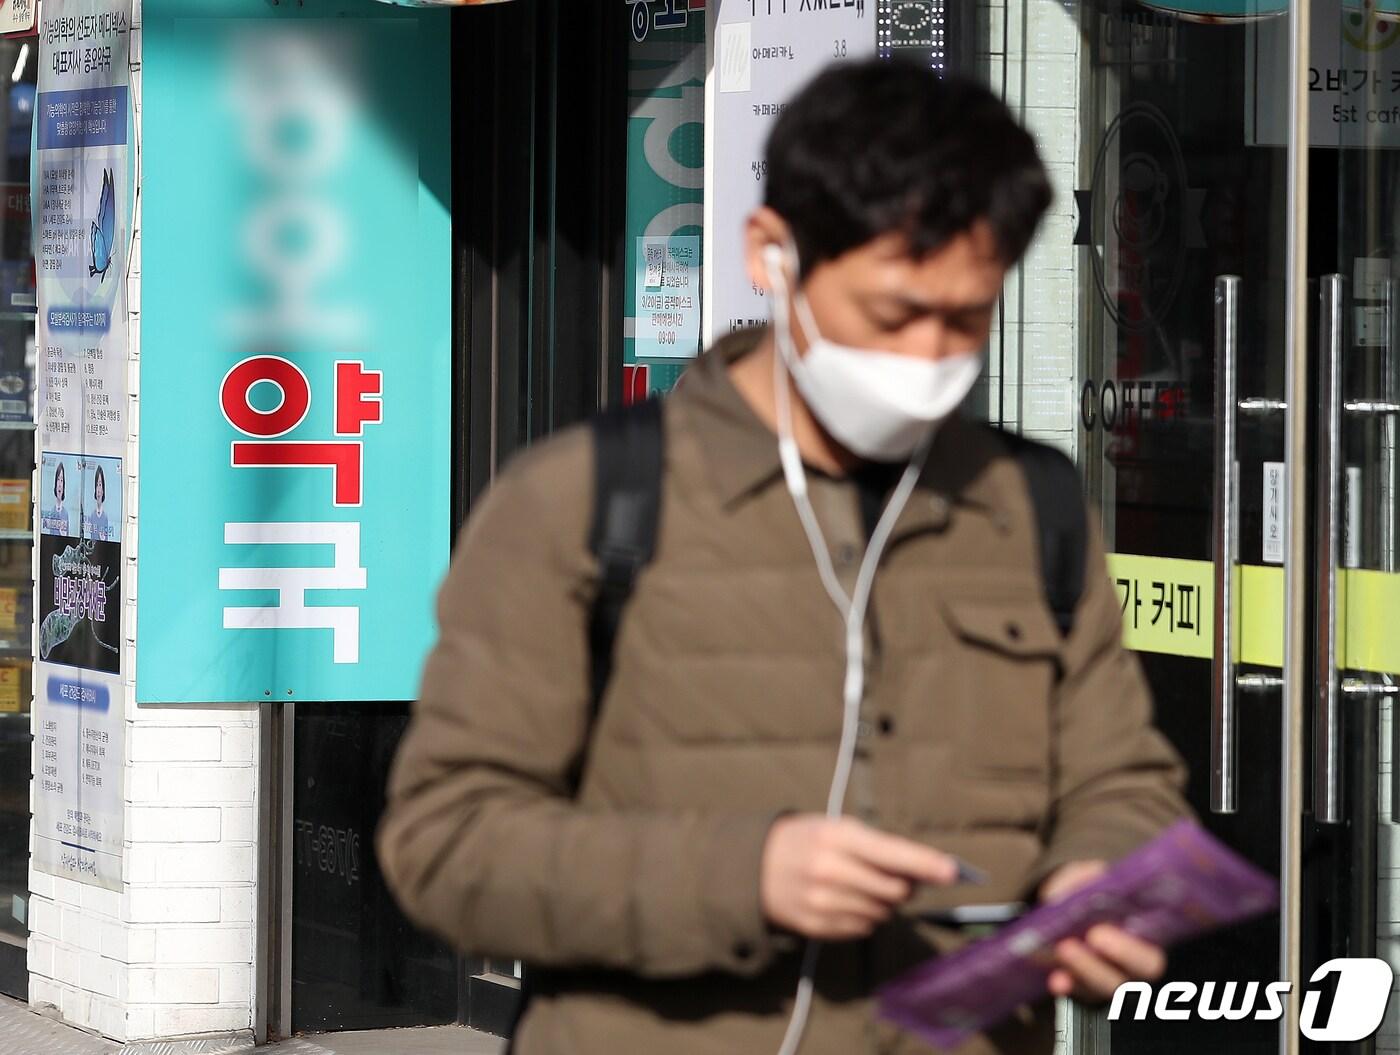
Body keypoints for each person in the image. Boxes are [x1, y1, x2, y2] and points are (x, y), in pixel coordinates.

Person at [378, 61, 1188, 1055]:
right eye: (891, 313)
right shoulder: (582, 499)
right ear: (773, 253)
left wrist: (1102, 878)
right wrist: (741, 875)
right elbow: (445, 843)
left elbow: (1121, 781)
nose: (927, 355)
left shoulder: (1031, 506)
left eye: (965, 318)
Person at [86, 464, 111, 541]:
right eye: (97, 485)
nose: (98, 489)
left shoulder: (105, 517)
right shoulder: (92, 515)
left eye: (100, 485)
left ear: (103, 489)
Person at [42, 460, 68, 536]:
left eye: (62, 480)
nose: (60, 484)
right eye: (58, 480)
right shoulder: (51, 512)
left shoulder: (66, 513)